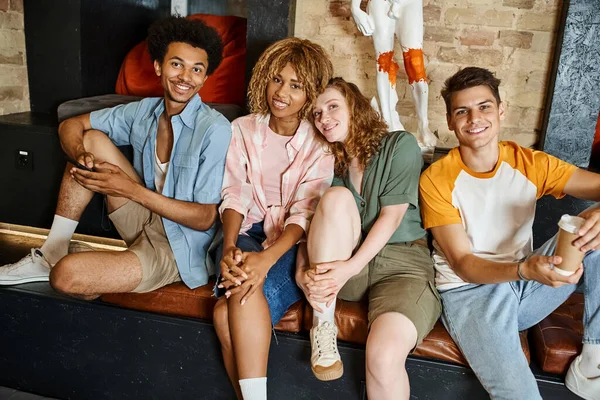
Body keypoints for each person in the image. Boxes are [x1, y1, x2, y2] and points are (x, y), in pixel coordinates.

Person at [0, 16, 231, 298]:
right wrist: (81, 156)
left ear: (205, 77)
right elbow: (70, 125)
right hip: (142, 219)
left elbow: (205, 218)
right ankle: (52, 250)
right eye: (176, 64)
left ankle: (85, 263)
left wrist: (129, 189)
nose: (185, 77)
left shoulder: (215, 129)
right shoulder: (143, 112)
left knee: (66, 276)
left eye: (197, 69)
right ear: (159, 66)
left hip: (178, 249)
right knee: (91, 140)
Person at [419, 66, 600, 400]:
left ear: (501, 111)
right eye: (463, 111)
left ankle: (593, 358)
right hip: (470, 293)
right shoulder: (437, 178)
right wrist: (523, 269)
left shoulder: (528, 163)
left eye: (484, 106)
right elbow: (462, 263)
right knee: (520, 395)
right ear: (450, 121)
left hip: (527, 286)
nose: (475, 118)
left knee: (597, 227)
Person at [298, 77, 440, 399]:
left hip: (402, 267)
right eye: (317, 114)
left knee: (383, 356)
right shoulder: (330, 162)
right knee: (334, 198)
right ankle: (323, 324)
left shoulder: (399, 145)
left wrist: (346, 269)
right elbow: (311, 223)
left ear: (355, 107)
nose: (324, 118)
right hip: (349, 265)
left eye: (332, 107)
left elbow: (392, 216)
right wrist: (301, 271)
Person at [211, 38, 334, 400]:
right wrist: (230, 246)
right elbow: (234, 192)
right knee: (230, 306)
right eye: (276, 79)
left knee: (229, 310)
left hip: (293, 246)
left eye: (296, 86)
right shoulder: (242, 129)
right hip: (245, 233)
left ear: (310, 93)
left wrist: (266, 260)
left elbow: (304, 214)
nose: (281, 92)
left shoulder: (319, 144)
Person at [350, 0, 437, 150]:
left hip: (409, 3)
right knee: (383, 63)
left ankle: (423, 125)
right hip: (380, 3)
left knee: (416, 65)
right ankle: (387, 122)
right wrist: (355, 7)